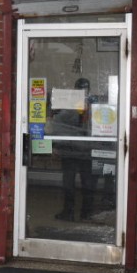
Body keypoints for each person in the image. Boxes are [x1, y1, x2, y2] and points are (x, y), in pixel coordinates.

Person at [53, 77, 95, 221]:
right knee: (83, 184)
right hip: (80, 150)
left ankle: (73, 212)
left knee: (74, 184)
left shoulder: (75, 105)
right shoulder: (90, 105)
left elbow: (57, 123)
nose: (83, 92)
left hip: (75, 150)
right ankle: (84, 213)